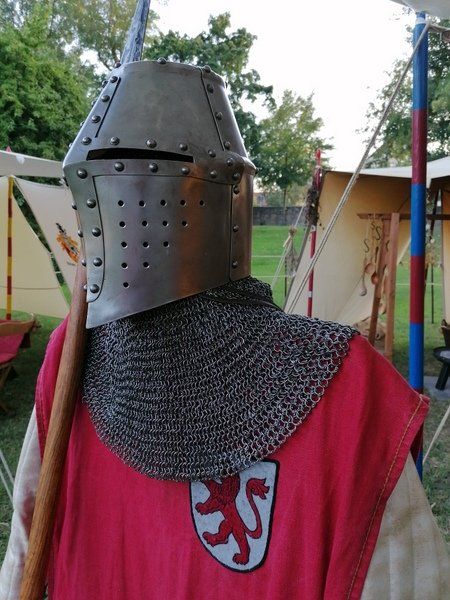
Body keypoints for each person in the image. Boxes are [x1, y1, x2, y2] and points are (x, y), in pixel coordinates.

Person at [1, 30, 449, 600]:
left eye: (147, 173)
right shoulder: (73, 355)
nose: (120, 206)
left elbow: (405, 581)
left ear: (223, 194)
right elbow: (25, 545)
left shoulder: (341, 389)